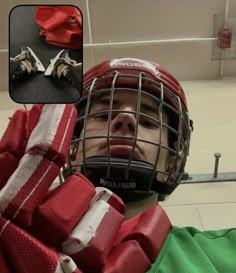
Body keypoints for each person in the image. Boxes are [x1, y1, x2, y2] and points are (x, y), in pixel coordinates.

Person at [0, 58, 235, 273]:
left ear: (172, 161)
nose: (126, 119)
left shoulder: (225, 253)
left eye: (147, 121)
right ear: (73, 148)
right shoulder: (10, 241)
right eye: (103, 116)